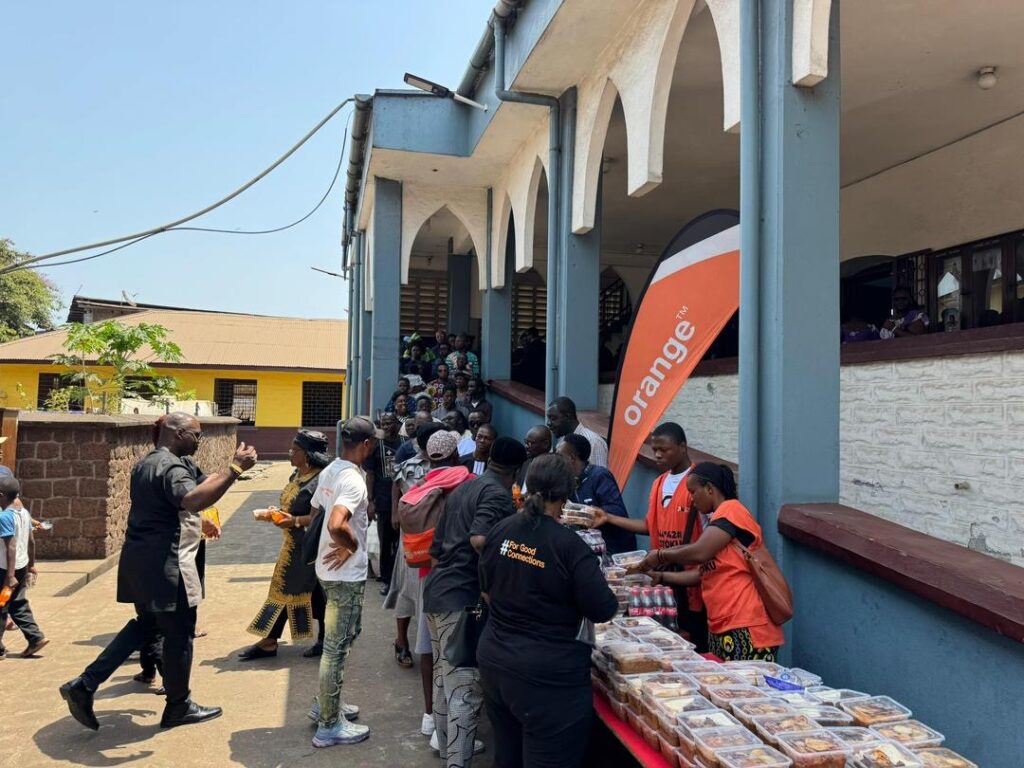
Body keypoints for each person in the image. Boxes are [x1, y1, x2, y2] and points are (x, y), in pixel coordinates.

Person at [61, 413, 258, 730]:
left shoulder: (150, 463)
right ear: (178, 433)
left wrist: (224, 476)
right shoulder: (170, 468)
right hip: (168, 566)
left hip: (141, 563)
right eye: (196, 435)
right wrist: (235, 470)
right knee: (179, 635)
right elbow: (192, 499)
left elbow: (200, 484)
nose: (199, 441)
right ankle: (178, 706)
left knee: (147, 626)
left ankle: (84, 684)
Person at [478, 454, 618, 768]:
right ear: (566, 495)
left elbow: (486, 590)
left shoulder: (502, 530)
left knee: (508, 757)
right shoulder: (569, 546)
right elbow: (603, 608)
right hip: (548, 680)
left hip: (496, 661)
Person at [424, 436, 527, 767]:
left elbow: (436, 549)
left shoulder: (465, 487)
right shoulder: (497, 494)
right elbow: (481, 539)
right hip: (462, 600)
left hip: (438, 592)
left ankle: (448, 753)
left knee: (445, 679)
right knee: (464, 690)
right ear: (518, 470)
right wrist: (521, 555)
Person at [628, 462, 784, 661]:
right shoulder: (716, 522)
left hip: (747, 625)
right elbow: (702, 574)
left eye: (693, 492)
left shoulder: (732, 511)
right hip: (721, 626)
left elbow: (699, 552)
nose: (692, 499)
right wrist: (661, 576)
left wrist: (660, 555)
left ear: (709, 488)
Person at [590, 422, 707, 650]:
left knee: (692, 640)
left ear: (683, 447)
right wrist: (609, 518)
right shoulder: (658, 483)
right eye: (655, 450)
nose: (658, 455)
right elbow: (650, 526)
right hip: (660, 580)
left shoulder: (698, 483)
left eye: (664, 449)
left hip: (692, 582)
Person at [308, 416, 381, 748]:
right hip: (344, 575)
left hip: (328, 572)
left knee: (344, 638)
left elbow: (315, 512)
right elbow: (336, 523)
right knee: (336, 649)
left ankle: (327, 703)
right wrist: (350, 545)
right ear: (366, 444)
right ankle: (328, 724)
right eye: (374, 442)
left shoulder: (332, 470)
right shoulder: (352, 479)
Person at [401, 429, 475, 751]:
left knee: (428, 647)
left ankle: (429, 717)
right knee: (455, 655)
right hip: (457, 581)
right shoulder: (465, 482)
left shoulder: (421, 485)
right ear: (456, 454)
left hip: (426, 577)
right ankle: (449, 733)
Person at [239, 430, 332, 661]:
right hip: (292, 545)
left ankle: (271, 641)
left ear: (307, 454)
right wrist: (277, 513)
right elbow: (292, 506)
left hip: (310, 547)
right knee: (309, 592)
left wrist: (295, 520)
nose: (290, 453)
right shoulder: (297, 475)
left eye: (295, 450)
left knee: (287, 589)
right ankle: (324, 639)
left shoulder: (322, 480)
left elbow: (324, 516)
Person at [557, 434, 636, 556]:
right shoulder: (569, 480)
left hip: (615, 549)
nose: (556, 460)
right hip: (591, 548)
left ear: (571, 458)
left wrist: (586, 513)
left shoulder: (599, 476)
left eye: (559, 456)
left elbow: (618, 510)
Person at [0, 473, 48, 660]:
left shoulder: (5, 517)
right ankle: (35, 638)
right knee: (17, 603)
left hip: (6, 572)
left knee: (2, 604)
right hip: (21, 566)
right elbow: (31, 541)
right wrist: (32, 564)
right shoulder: (24, 514)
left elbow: (10, 546)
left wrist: (9, 576)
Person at [364, 413, 405, 596]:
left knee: (400, 543)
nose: (387, 426)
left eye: (390, 423)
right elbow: (370, 475)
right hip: (383, 501)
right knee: (386, 543)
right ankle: (387, 581)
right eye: (383, 424)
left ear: (397, 423)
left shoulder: (405, 444)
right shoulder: (376, 447)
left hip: (404, 501)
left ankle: (400, 580)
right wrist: (370, 501)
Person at [546, 396, 608, 468]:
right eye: (548, 419)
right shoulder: (563, 441)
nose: (548, 423)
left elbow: (600, 474)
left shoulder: (593, 441)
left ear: (567, 417)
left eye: (553, 418)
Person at [517, 425, 553, 491]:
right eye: (526, 442)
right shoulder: (525, 461)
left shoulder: (554, 466)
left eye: (531, 443)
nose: (526, 446)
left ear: (546, 444)